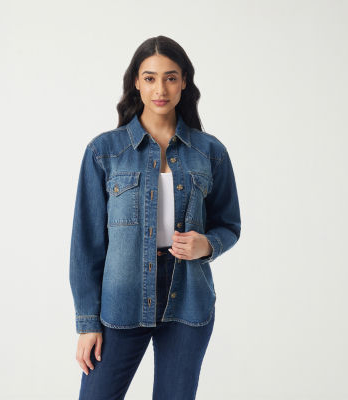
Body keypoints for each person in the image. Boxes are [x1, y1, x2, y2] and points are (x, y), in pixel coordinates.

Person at [69, 35, 241, 400]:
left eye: (170, 77)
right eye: (150, 78)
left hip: (188, 302)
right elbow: (86, 244)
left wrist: (207, 244)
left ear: (184, 82)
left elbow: (230, 224)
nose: (160, 89)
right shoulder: (104, 152)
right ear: (136, 81)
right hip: (121, 302)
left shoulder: (210, 153)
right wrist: (87, 322)